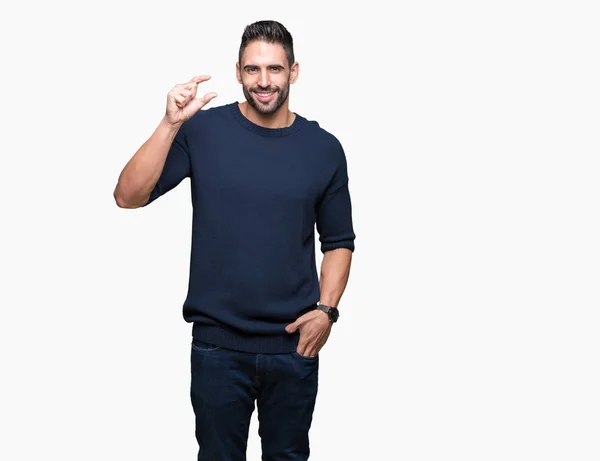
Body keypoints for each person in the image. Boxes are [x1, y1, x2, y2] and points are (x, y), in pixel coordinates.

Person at [113, 19, 356, 461]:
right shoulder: (202, 131)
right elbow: (128, 197)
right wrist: (169, 124)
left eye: (275, 70)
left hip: (292, 345)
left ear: (294, 72)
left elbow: (339, 240)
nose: (264, 81)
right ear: (238, 72)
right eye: (253, 70)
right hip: (217, 347)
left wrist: (326, 311)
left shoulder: (324, 148)